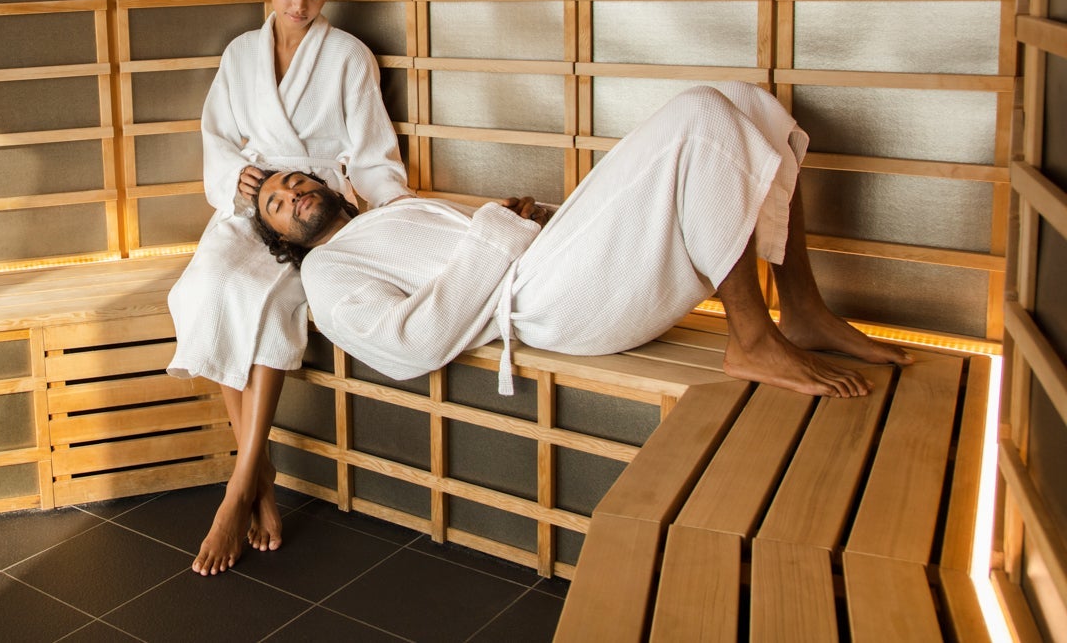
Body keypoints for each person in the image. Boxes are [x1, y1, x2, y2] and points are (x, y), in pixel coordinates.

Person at [249, 83, 911, 400]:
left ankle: (802, 307)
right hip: (540, 304)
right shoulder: (324, 274)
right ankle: (754, 338)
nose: (292, 194)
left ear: (323, 180)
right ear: (284, 239)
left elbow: (477, 244)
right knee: (701, 115)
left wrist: (515, 219)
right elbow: (406, 344)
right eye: (277, 206)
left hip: (550, 260)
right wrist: (495, 230)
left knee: (746, 102)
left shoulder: (384, 213)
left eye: (294, 181)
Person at [167, 0, 411, 576]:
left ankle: (239, 488)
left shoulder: (349, 57)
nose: (299, 6)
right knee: (206, 286)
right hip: (253, 203)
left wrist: (376, 225)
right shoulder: (241, 54)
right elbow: (215, 135)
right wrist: (235, 175)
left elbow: (371, 154)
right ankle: (263, 475)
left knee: (272, 302)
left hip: (312, 210)